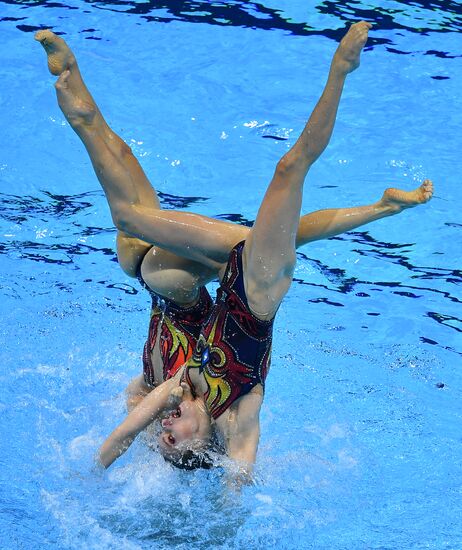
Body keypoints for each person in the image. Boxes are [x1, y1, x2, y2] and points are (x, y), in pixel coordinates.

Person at [36, 22, 433, 475]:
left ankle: (72, 80)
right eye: (172, 437)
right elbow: (239, 474)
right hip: (254, 289)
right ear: (205, 447)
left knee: (125, 176)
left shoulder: (175, 389)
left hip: (189, 276)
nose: (166, 425)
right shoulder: (236, 420)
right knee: (289, 169)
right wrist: (228, 508)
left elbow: (125, 432)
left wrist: (87, 476)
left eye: (161, 435)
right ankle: (341, 72)